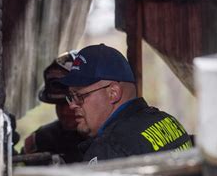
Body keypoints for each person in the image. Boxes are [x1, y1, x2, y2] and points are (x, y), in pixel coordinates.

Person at [57, 43, 192, 163]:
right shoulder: (167, 120)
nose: (72, 105)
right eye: (71, 96)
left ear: (113, 93)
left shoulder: (109, 150)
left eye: (79, 95)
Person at [22, 52, 86, 164]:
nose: (65, 111)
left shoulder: (111, 138)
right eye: (59, 104)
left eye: (71, 101)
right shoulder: (42, 139)